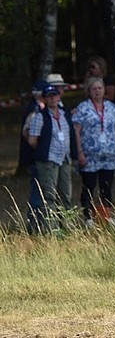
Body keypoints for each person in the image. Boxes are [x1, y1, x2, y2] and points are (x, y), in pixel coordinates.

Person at [72, 77, 115, 225]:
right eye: (94, 89)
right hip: (90, 156)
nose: (97, 91)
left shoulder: (110, 107)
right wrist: (80, 152)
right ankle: (88, 217)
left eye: (99, 88)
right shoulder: (83, 108)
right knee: (89, 186)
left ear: (104, 90)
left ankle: (106, 215)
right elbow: (76, 130)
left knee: (106, 186)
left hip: (109, 155)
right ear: (89, 91)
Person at [27, 84, 77, 231]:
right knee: (49, 196)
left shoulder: (64, 114)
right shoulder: (40, 117)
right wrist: (44, 151)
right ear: (44, 99)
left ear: (59, 96)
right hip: (48, 161)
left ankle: (68, 227)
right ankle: (52, 229)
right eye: (49, 96)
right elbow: (32, 140)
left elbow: (71, 135)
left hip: (65, 159)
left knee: (66, 195)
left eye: (54, 95)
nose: (52, 98)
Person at [20, 79, 48, 232]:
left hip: (36, 157)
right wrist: (39, 149)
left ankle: (39, 223)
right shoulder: (35, 111)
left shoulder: (37, 108)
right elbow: (27, 134)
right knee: (38, 191)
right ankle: (35, 225)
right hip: (36, 158)